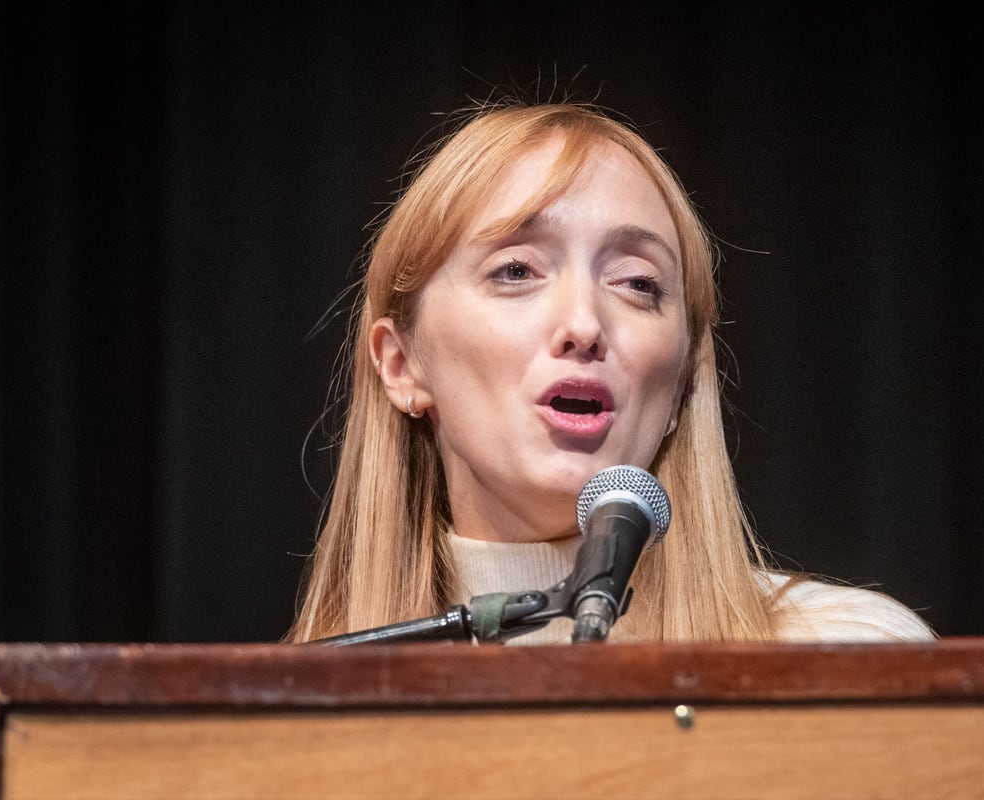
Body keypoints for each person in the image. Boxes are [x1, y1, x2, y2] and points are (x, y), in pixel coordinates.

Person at [287, 98, 935, 645]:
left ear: (681, 382)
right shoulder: (293, 701)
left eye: (636, 282)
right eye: (517, 271)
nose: (585, 324)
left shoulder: (845, 655)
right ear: (402, 365)